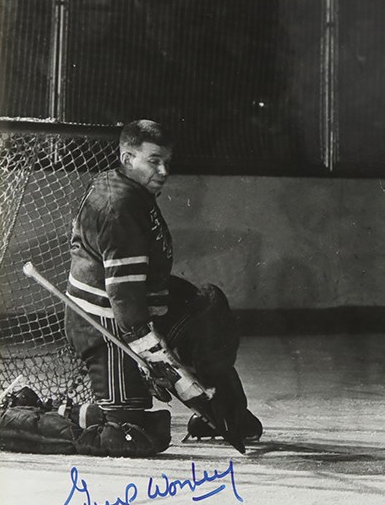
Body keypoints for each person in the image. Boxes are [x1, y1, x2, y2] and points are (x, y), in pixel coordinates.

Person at [63, 119, 261, 456]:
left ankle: (229, 411)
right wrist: (154, 356)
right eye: (154, 161)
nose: (164, 170)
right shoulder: (118, 207)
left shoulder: (134, 189)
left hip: (135, 308)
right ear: (127, 159)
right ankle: (41, 413)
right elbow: (123, 297)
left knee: (208, 316)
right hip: (103, 323)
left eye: (167, 161)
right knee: (128, 430)